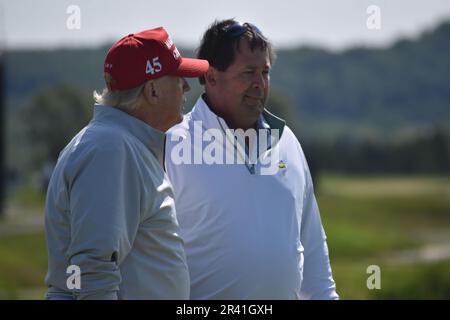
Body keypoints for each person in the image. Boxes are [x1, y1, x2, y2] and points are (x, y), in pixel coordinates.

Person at [165, 19, 338, 299]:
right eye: (248, 73)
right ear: (210, 77)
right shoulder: (172, 143)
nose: (260, 84)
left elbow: (314, 250)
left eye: (265, 72)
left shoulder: (287, 141)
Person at [44, 27, 209, 299]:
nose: (186, 86)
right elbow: (94, 269)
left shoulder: (117, 144)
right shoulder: (112, 150)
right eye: (178, 77)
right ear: (152, 91)